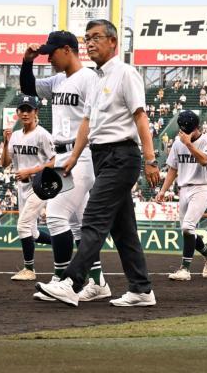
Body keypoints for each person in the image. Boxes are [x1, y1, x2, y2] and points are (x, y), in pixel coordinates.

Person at [36, 19, 161, 307]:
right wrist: (73, 158)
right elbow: (87, 122)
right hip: (101, 156)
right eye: (87, 38)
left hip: (122, 155)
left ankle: (72, 282)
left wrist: (151, 159)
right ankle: (141, 290)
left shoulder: (125, 73)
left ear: (113, 42)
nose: (90, 43)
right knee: (123, 230)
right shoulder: (96, 79)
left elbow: (140, 116)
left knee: (93, 219)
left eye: (96, 37)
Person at [20, 31, 109, 302]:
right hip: (61, 155)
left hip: (79, 154)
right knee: (78, 224)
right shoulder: (58, 80)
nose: (48, 58)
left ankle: (61, 280)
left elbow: (95, 119)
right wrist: (27, 61)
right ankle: (98, 282)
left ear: (68, 50)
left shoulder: (89, 78)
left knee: (56, 216)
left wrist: (79, 154)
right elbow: (28, 87)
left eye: (52, 53)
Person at [155, 110, 207, 281]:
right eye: (183, 129)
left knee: (187, 227)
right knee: (187, 230)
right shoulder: (177, 143)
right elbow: (173, 169)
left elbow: (204, 161)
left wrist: (189, 144)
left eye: (189, 130)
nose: (185, 132)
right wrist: (163, 190)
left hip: (202, 187)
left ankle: (185, 269)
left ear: (197, 127)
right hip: (183, 188)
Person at [0, 94, 54, 281]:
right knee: (34, 233)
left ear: (36, 112)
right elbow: (4, 163)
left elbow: (55, 161)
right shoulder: (15, 136)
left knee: (22, 225)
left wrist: (30, 171)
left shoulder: (42, 135)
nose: (25, 113)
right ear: (17, 112)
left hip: (39, 186)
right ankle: (64, 242)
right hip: (22, 187)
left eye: (29, 110)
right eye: (22, 110)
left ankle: (29, 269)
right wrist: (6, 142)